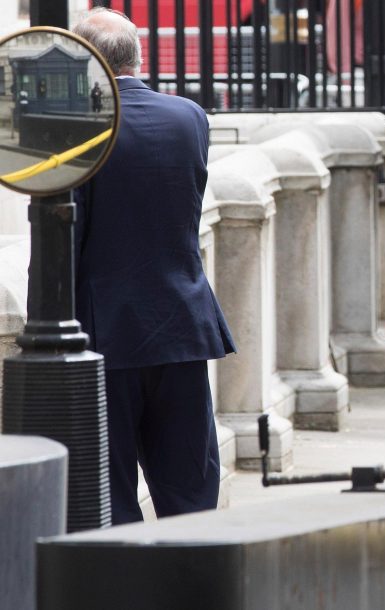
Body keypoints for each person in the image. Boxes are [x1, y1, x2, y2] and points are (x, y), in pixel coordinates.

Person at [73, 7, 236, 525]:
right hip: (183, 325)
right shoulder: (189, 116)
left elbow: (66, 235)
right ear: (138, 56)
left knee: (111, 494)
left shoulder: (82, 128)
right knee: (190, 490)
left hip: (107, 334)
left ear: (88, 63)